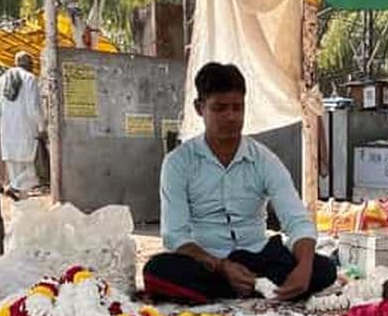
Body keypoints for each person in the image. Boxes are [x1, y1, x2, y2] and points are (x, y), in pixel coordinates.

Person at [143, 62, 336, 303]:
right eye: (220, 108)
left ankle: (235, 289)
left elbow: (297, 220)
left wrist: (304, 267)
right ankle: (252, 287)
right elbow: (175, 236)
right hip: (208, 261)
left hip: (259, 257)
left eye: (237, 107)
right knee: (156, 270)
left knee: (323, 268)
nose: (231, 117)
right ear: (199, 108)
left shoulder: (264, 159)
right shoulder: (178, 163)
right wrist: (222, 266)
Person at [0, 51, 45, 200]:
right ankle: (13, 187)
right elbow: (34, 108)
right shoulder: (30, 78)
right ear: (30, 65)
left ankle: (19, 209)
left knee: (17, 175)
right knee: (30, 173)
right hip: (26, 134)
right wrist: (42, 128)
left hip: (7, 136)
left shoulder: (2, 80)